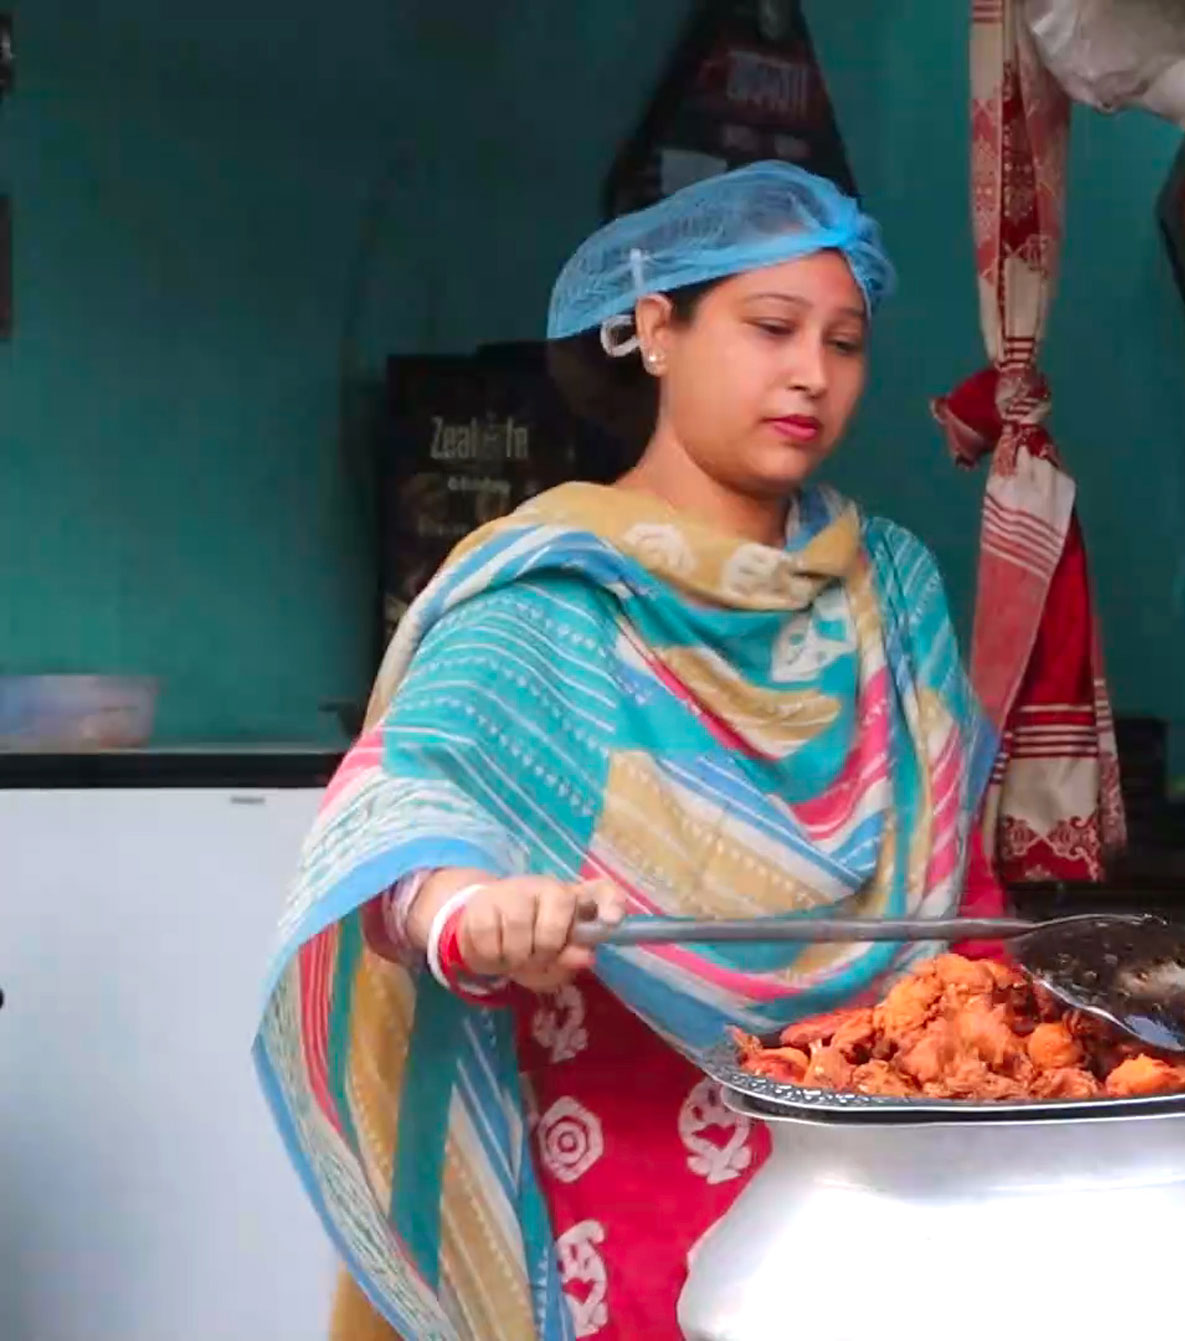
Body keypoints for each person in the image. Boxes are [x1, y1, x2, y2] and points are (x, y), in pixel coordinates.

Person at [256, 161, 1003, 1341]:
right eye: (770, 328)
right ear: (655, 329)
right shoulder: (558, 593)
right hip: (626, 1168)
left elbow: (957, 882)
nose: (812, 372)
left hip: (883, 1175)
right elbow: (403, 809)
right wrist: (468, 904)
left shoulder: (892, 588)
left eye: (845, 341)